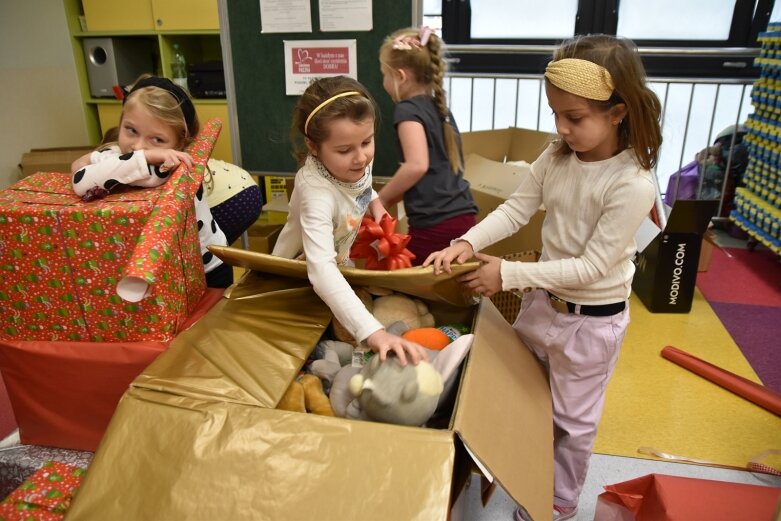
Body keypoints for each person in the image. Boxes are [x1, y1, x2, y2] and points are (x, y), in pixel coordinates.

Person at [424, 34, 662, 521]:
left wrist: (508, 274)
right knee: (517, 396)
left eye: (574, 118)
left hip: (591, 326)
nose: (561, 128)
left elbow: (593, 267)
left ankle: (556, 504)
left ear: (618, 112)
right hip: (542, 306)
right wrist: (469, 242)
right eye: (555, 113)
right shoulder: (555, 157)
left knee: (570, 425)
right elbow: (516, 209)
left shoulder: (631, 182)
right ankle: (506, 471)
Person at [271, 75, 426, 366]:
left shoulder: (354, 162)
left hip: (338, 263)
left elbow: (362, 185)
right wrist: (375, 333)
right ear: (313, 147)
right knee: (311, 348)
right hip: (296, 276)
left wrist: (375, 203)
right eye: (345, 150)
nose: (361, 158)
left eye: (367, 142)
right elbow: (320, 270)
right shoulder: (316, 194)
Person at [70, 75, 233, 289]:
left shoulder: (170, 165)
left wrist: (90, 161)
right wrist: (88, 162)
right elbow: (81, 174)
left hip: (209, 267)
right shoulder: (123, 156)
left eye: (157, 140)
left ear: (180, 143)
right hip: (168, 271)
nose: (138, 147)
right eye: (131, 130)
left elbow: (83, 181)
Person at [377, 26, 478, 265]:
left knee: (417, 288)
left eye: (384, 74)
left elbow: (417, 166)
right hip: (463, 216)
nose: (383, 81)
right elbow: (427, 170)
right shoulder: (439, 108)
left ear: (400, 76)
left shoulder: (407, 111)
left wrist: (382, 199)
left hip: (435, 224)